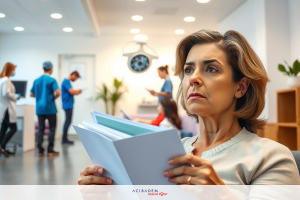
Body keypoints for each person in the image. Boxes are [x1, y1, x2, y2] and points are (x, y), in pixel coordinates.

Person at [78, 30, 300, 187]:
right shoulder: (166, 152)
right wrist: (107, 192)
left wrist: (221, 195)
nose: (193, 78)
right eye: (188, 70)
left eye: (211, 69)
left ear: (240, 87)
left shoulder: (271, 157)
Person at [30, 61, 61, 157]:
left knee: (40, 129)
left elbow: (31, 94)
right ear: (51, 68)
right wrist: (52, 98)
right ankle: (50, 150)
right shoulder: (52, 80)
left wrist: (40, 98)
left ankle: (40, 150)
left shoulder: (36, 80)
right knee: (52, 128)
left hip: (39, 109)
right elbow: (58, 93)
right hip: (50, 108)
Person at [0, 62, 21, 157]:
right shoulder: (6, 80)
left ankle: (1, 148)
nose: (14, 72)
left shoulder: (1, 79)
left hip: (3, 107)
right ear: (9, 70)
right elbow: (6, 93)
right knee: (14, 128)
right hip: (7, 108)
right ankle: (2, 147)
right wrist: (17, 96)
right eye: (13, 70)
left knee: (3, 129)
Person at [61, 71, 82, 144]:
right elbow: (72, 91)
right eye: (76, 78)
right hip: (67, 105)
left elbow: (71, 93)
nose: (76, 79)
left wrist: (78, 92)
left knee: (68, 121)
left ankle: (65, 139)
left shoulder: (67, 82)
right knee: (67, 122)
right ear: (73, 75)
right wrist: (78, 90)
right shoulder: (66, 81)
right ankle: (64, 139)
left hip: (68, 104)